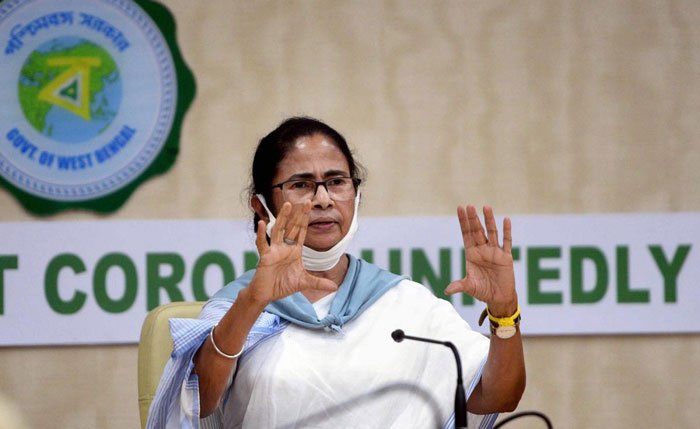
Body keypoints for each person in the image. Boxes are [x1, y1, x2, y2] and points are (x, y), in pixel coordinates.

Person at [147, 117, 525, 428]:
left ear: (355, 194)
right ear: (261, 206)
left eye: (337, 181)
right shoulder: (238, 306)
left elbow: (498, 397)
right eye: (301, 185)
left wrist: (504, 311)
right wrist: (254, 301)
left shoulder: (406, 303)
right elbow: (199, 401)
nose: (323, 199)